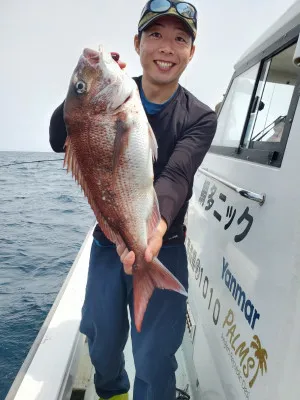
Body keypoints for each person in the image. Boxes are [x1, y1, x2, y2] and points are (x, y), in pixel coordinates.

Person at [49, 1, 217, 399]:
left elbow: (176, 176)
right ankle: (115, 393)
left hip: (165, 246)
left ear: (191, 52)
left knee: (156, 358)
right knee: (102, 341)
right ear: (137, 43)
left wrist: (150, 236)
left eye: (180, 39)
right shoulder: (109, 100)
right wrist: (78, 93)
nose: (166, 47)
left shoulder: (200, 116)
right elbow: (61, 138)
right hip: (109, 243)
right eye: (155, 35)